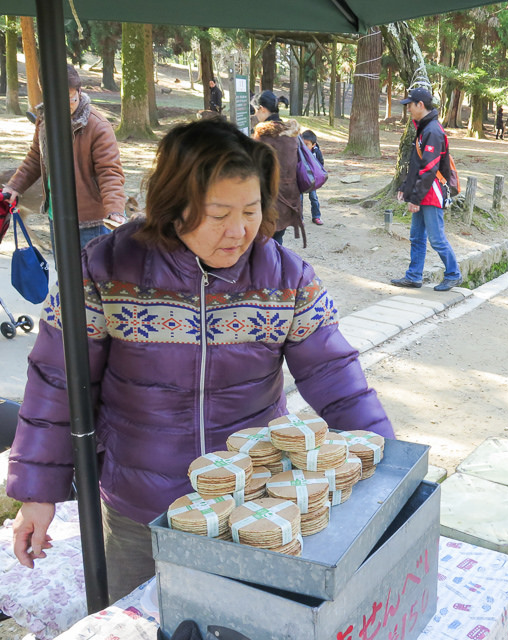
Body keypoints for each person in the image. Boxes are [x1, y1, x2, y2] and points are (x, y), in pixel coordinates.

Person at [7, 118, 394, 603]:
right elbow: (57, 381)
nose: (239, 231)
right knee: (138, 621)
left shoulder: (286, 278)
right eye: (218, 214)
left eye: (251, 210)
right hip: (137, 506)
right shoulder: (104, 269)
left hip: (250, 505)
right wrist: (38, 494)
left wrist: (390, 471)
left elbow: (337, 379)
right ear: (174, 205)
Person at [2, 64, 126, 250]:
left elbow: (110, 173)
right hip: (57, 215)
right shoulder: (44, 120)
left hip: (90, 221)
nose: (64, 105)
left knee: (90, 278)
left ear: (79, 90)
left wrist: (114, 210)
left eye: (70, 99)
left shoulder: (97, 126)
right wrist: (14, 186)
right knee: (65, 275)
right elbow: (36, 157)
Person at [390, 87, 461, 292]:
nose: (408, 109)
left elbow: (429, 169)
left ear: (420, 105)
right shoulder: (424, 128)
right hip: (423, 192)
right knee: (416, 236)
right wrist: (406, 187)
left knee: (436, 239)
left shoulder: (432, 131)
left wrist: (416, 198)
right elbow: (416, 165)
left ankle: (453, 274)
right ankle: (414, 276)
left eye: (410, 105)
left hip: (432, 192)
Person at [252, 89, 305, 247]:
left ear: (262, 109)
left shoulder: (263, 137)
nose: (255, 115)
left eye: (255, 111)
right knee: (277, 242)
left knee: (264, 247)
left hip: (269, 201)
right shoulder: (291, 135)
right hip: (289, 200)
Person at [300, 129, 325, 226]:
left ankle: (316, 216)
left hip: (312, 180)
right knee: (299, 199)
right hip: (300, 179)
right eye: (302, 143)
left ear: (313, 144)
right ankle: (299, 219)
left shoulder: (316, 153)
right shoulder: (299, 151)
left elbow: (320, 164)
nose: (304, 146)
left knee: (313, 198)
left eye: (307, 144)